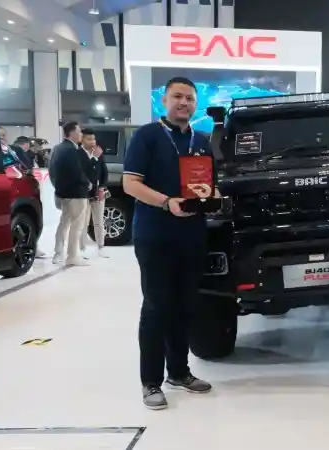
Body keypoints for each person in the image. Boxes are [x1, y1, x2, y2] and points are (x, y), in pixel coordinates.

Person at [122, 76, 215, 410]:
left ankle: (179, 372)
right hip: (155, 234)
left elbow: (208, 185)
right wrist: (166, 202)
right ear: (164, 100)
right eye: (178, 96)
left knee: (185, 305)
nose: (184, 103)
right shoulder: (147, 136)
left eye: (189, 98)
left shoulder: (201, 141)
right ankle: (151, 382)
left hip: (192, 234)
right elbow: (130, 183)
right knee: (157, 306)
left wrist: (214, 196)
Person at [49, 121, 90, 266]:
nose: (81, 134)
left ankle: (58, 252)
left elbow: (52, 171)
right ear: (71, 133)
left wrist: (58, 188)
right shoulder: (72, 150)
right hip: (76, 193)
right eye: (78, 131)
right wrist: (87, 183)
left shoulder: (58, 148)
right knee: (77, 225)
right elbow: (76, 172)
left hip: (63, 193)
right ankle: (72, 256)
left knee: (64, 223)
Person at [79, 128, 110, 259]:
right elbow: (84, 171)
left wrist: (102, 188)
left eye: (94, 139)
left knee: (99, 222)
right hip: (84, 194)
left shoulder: (98, 152)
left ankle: (101, 247)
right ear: (82, 139)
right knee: (84, 223)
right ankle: (82, 248)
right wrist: (95, 158)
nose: (92, 142)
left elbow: (104, 172)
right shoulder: (78, 154)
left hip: (98, 193)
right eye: (89, 139)